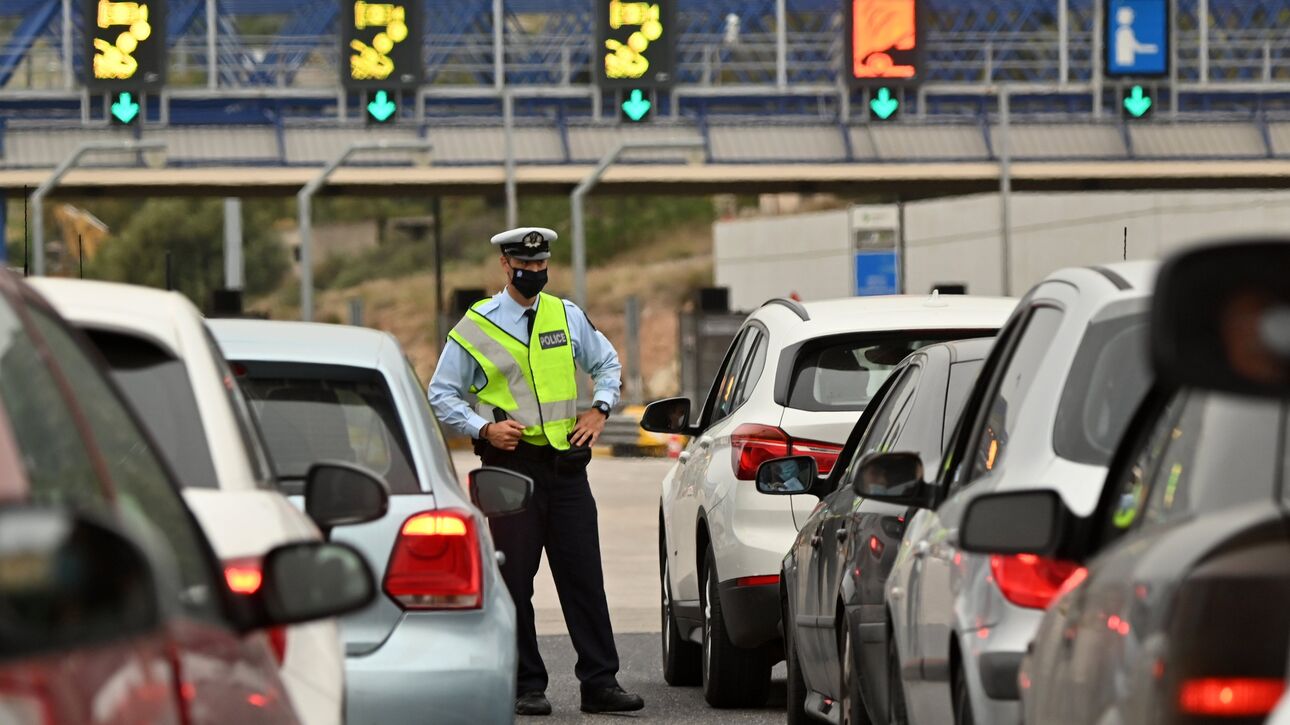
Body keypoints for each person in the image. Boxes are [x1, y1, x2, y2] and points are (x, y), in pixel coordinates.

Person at [428, 227, 644, 717]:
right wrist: (484, 429)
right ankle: (525, 684)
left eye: (541, 265)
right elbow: (440, 393)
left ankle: (600, 683)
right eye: (525, 266)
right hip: (510, 469)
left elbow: (607, 364)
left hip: (566, 468)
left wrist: (600, 410)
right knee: (514, 581)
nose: (534, 273)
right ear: (505, 265)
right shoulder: (475, 326)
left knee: (583, 576)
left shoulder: (565, 315)